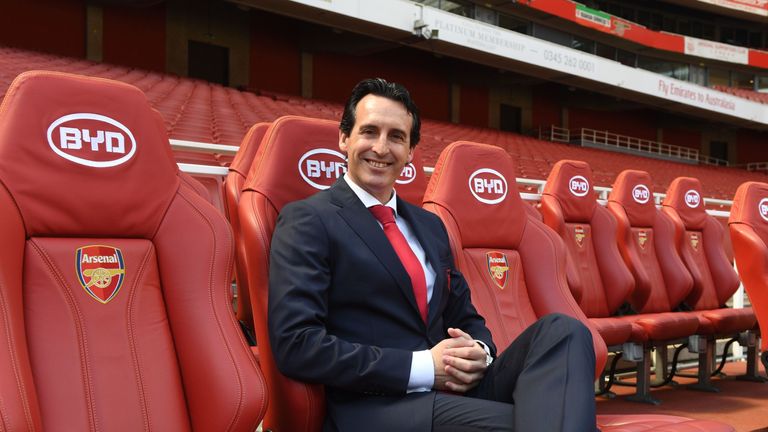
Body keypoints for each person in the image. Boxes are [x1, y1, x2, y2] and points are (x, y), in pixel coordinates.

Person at [268, 78, 597, 431]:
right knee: (558, 420)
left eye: (396, 137)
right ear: (344, 138)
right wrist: (425, 366)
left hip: (456, 390)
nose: (381, 148)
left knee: (565, 331)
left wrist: (479, 353)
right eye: (369, 132)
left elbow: (466, 315)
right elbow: (297, 345)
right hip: (379, 406)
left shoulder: (429, 226)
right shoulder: (308, 219)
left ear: (410, 151)